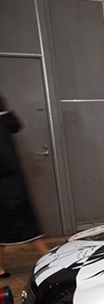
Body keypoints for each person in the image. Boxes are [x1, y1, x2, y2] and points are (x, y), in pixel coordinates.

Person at [0, 93, 49, 277]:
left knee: (23, 225)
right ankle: (47, 257)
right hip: (12, 184)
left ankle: (49, 258)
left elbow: (5, 159)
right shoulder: (5, 123)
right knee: (23, 226)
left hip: (7, 187)